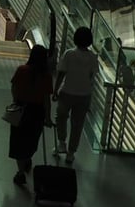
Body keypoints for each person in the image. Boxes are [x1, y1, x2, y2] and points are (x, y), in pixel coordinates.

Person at [54, 27, 99, 164]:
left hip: (67, 92)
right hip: (84, 95)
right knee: (77, 124)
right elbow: (92, 76)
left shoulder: (69, 54)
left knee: (61, 117)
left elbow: (61, 73)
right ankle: (71, 153)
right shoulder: (93, 57)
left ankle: (62, 142)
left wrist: (55, 90)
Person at [9, 45, 53, 185]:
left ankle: (20, 172)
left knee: (18, 140)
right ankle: (27, 158)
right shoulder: (46, 76)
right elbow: (47, 99)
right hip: (37, 112)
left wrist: (16, 102)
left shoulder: (22, 70)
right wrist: (48, 117)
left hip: (21, 109)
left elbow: (14, 88)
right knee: (31, 140)